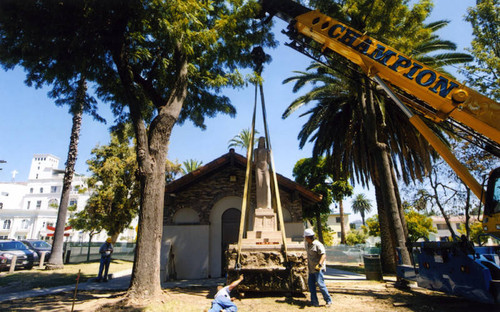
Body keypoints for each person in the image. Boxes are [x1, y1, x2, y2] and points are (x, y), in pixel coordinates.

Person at [304, 228, 332, 307]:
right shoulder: (308, 245)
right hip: (311, 269)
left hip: (318, 269)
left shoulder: (317, 244)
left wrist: (319, 265)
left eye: (306, 237)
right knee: (311, 285)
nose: (305, 239)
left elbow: (323, 255)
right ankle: (314, 302)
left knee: (320, 284)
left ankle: (328, 300)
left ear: (308, 237)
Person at [254, 136, 271, 209]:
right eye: (260, 141)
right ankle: (260, 205)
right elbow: (255, 161)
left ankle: (268, 205)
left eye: (263, 141)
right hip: (258, 168)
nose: (261, 142)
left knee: (267, 185)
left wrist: (269, 154)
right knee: (260, 185)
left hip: (265, 168)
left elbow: (269, 161)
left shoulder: (267, 150)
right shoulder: (256, 150)